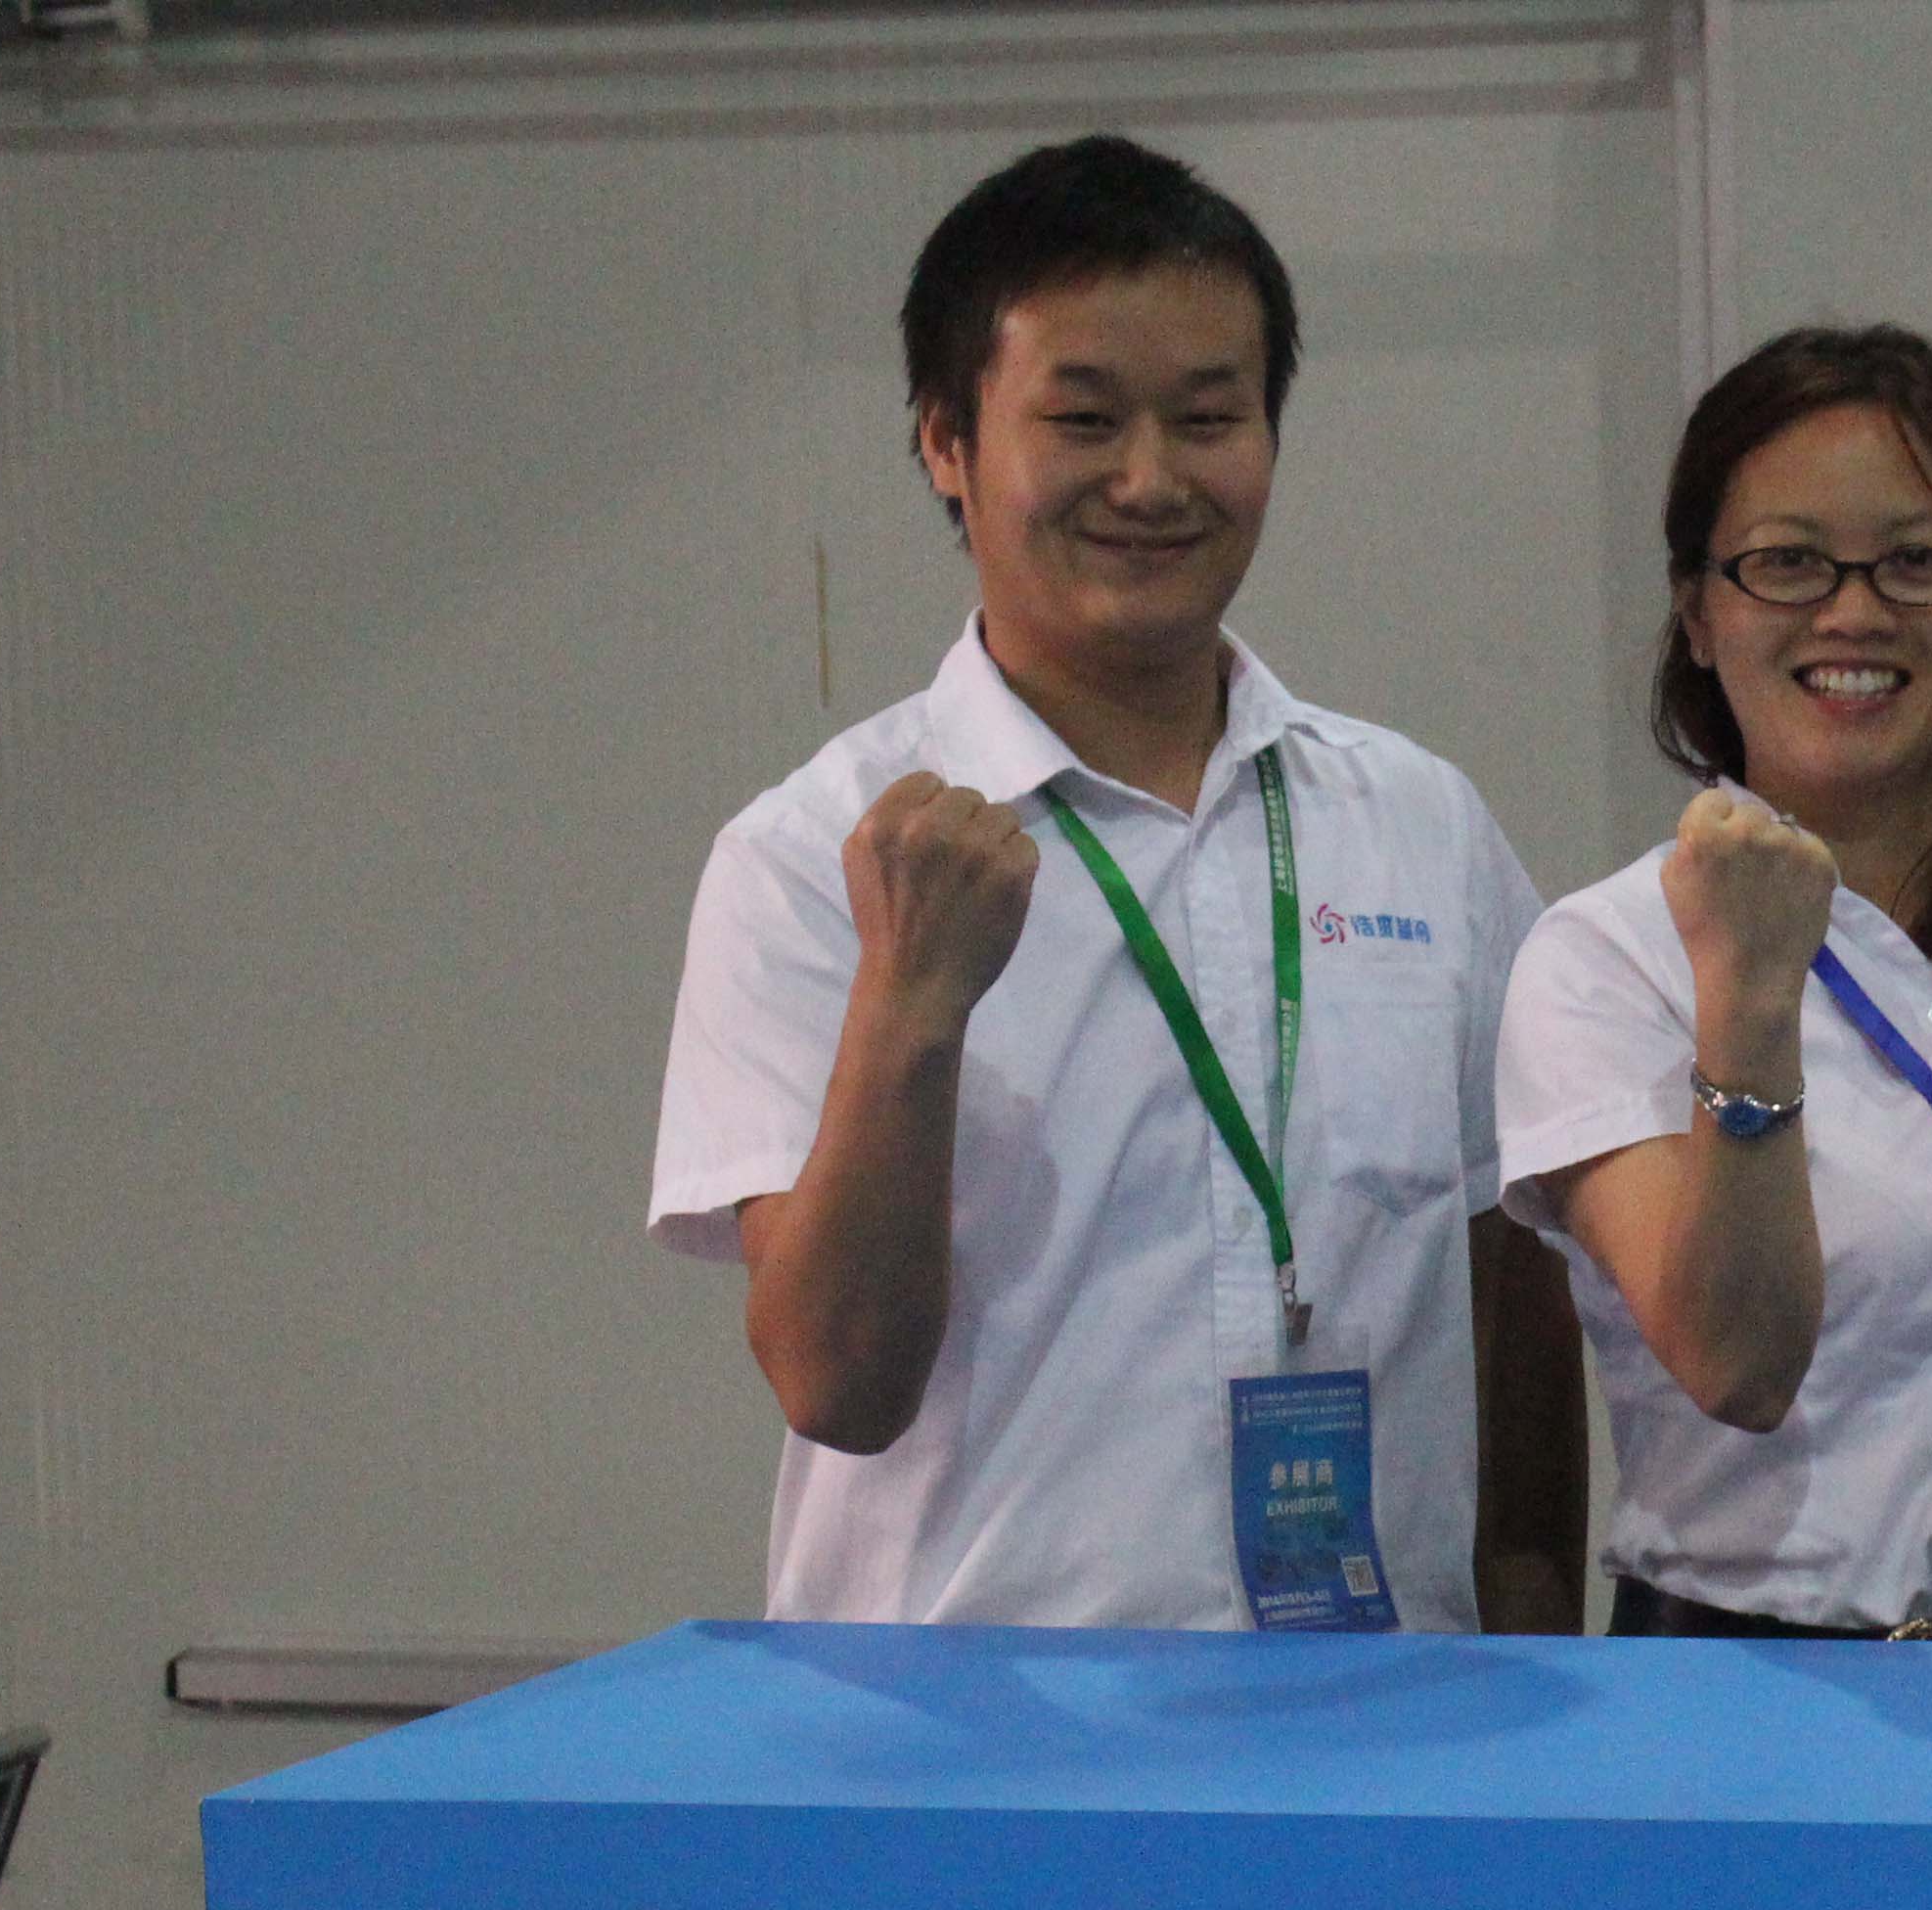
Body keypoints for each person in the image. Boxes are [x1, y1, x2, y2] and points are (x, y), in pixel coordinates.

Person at [649, 134, 1582, 1632]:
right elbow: (835, 1383)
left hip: (1376, 1713)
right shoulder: (817, 856)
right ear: (947, 443)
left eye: (1209, 418)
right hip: (975, 1732)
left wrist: (1524, 1662)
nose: (1151, 480)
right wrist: (911, 1002)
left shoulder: (1420, 826)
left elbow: (1509, 1291)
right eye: (1082, 419)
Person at [1497, 327, 1932, 1639]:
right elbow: (1736, 1364)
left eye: (1918, 561)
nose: (1855, 612)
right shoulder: (1607, 961)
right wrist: (1751, 998)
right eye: (1789, 562)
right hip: (1755, 1686)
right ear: (1699, 614)